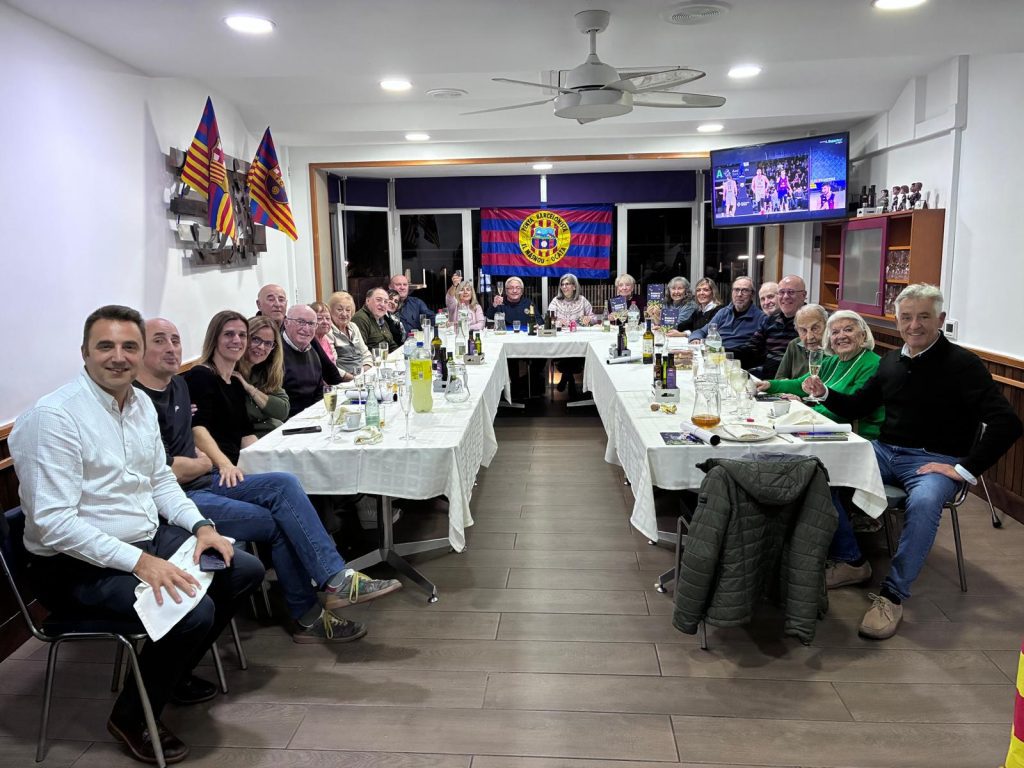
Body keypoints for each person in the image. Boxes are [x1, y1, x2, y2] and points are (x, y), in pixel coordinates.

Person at [9, 305, 265, 765]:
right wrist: (143, 564)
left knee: (241, 568)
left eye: (130, 346)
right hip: (72, 565)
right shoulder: (53, 418)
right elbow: (54, 524)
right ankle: (131, 716)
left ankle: (169, 670)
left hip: (143, 537)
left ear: (140, 352)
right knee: (192, 612)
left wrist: (201, 527)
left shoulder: (140, 402)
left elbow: (160, 481)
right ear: (84, 352)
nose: (119, 356)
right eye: (105, 346)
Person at [803, 284, 1023, 640]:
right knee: (818, 470)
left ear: (940, 319)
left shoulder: (963, 365)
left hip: (936, 461)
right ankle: (852, 561)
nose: (914, 325)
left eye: (924, 317)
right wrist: (824, 393)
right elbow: (859, 405)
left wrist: (963, 468)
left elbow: (1008, 423)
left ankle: (892, 596)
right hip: (884, 451)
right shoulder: (892, 361)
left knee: (923, 503)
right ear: (897, 321)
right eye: (906, 317)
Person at [166, 314, 401, 636]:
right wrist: (224, 464)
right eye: (229, 334)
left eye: (241, 335)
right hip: (208, 480)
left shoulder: (232, 381)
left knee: (286, 482)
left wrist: (269, 460)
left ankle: (325, 592)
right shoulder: (199, 377)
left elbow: (245, 435)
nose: (237, 341)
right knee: (282, 503)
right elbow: (198, 428)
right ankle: (325, 594)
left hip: (226, 474)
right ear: (214, 338)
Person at [762, 310, 883, 438]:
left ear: (863, 335)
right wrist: (767, 385)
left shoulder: (873, 364)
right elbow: (801, 384)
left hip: (856, 435)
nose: (841, 336)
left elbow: (849, 409)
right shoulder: (833, 361)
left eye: (848, 330)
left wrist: (803, 407)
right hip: (828, 427)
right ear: (830, 339)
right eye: (835, 332)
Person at [735, 274, 806, 377]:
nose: (785, 296)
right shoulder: (770, 321)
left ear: (803, 295)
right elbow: (751, 347)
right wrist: (724, 353)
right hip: (766, 375)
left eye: (791, 292)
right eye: (781, 292)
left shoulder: (811, 320)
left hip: (792, 379)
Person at [280, 304, 343, 418]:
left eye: (311, 324)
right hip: (289, 419)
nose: (306, 329)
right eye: (300, 322)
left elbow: (319, 390)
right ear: (286, 322)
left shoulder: (312, 351)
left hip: (313, 416)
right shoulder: (276, 352)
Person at [235, 315, 290, 437]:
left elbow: (283, 410)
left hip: (271, 435)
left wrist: (251, 390)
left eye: (268, 343)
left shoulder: (263, 370)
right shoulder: (230, 371)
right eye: (256, 339)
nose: (261, 347)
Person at [549, 273, 595, 398]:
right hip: (561, 341)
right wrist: (557, 321)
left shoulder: (582, 300)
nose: (564, 287)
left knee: (575, 352)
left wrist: (588, 319)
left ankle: (566, 377)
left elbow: (594, 318)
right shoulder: (556, 301)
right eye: (562, 284)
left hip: (579, 340)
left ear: (574, 287)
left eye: (567, 284)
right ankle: (570, 380)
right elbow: (549, 318)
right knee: (566, 353)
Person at [689, 276, 765, 350]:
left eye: (744, 290)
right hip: (718, 354)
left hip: (740, 356)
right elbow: (702, 331)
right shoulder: (723, 313)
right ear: (732, 292)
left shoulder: (761, 318)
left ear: (752, 294)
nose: (739, 294)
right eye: (736, 290)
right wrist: (695, 338)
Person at [770, 303, 828, 380]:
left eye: (815, 328)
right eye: (803, 330)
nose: (809, 337)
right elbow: (779, 378)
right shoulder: (794, 345)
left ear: (827, 326)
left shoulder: (834, 347)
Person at [326, 290, 373, 381]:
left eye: (348, 310)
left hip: (361, 376)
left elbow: (365, 354)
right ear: (330, 311)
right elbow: (332, 365)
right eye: (339, 309)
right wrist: (352, 378)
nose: (344, 314)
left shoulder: (353, 327)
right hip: (344, 380)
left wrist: (363, 371)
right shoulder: (328, 331)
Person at [352, 287, 401, 354]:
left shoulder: (382, 320)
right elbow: (360, 351)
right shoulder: (360, 318)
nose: (382, 304)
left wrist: (401, 355)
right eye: (378, 300)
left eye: (385, 302)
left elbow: (392, 345)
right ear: (367, 301)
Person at [310, 301, 336, 366]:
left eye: (328, 318)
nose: (325, 322)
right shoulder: (309, 342)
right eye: (319, 318)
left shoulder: (325, 338)